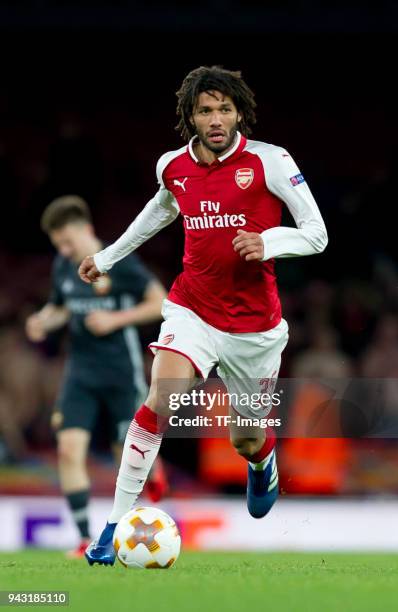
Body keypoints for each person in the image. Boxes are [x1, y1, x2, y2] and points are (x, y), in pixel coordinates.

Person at [79, 66, 328, 566]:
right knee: (160, 399)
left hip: (254, 329)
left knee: (246, 436)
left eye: (224, 109)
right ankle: (110, 529)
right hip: (192, 308)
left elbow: (317, 233)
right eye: (205, 110)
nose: (216, 119)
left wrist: (269, 241)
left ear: (240, 112)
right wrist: (107, 257)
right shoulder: (173, 166)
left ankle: (262, 460)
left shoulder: (270, 162)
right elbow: (160, 210)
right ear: (190, 117)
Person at [25, 195, 167, 558]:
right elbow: (62, 307)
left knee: (128, 453)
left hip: (121, 370)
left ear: (85, 229)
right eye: (59, 245)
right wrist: (44, 320)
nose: (65, 250)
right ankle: (85, 538)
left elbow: (159, 302)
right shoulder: (64, 265)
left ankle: (152, 472)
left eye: (68, 241)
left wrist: (115, 320)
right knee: (69, 449)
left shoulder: (119, 261)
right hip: (81, 372)